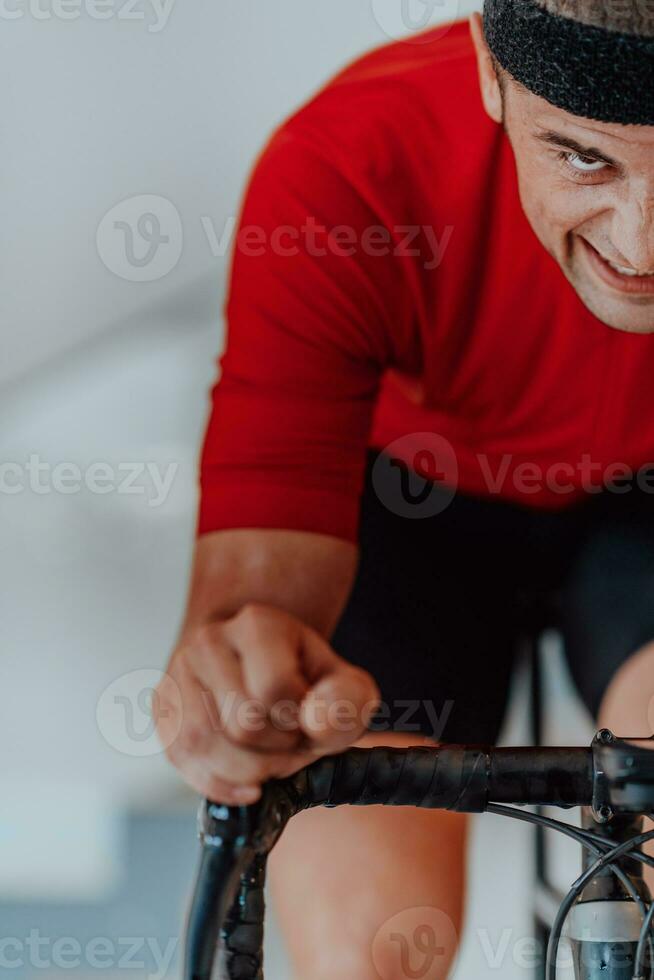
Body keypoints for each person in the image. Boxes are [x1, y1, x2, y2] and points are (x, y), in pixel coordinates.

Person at [156, 2, 654, 976]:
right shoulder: (350, 157)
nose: (643, 249)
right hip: (412, 500)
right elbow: (256, 604)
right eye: (584, 157)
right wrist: (237, 693)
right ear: (491, 77)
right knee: (369, 950)